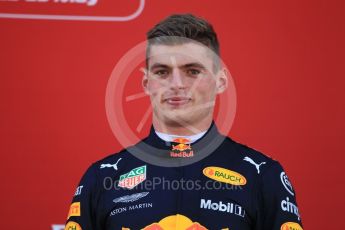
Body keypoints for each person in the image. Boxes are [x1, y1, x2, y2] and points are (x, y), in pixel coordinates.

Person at [65, 14, 303, 230]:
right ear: (146, 83)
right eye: (162, 72)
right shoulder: (102, 177)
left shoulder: (262, 175)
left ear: (221, 81)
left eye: (192, 71)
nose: (177, 84)